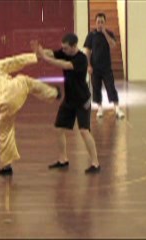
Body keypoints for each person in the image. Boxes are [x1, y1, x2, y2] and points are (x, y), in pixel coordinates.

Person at [0, 50, 61, 176]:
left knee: (5, 132)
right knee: (25, 80)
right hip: (13, 90)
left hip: (2, 106)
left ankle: (6, 166)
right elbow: (15, 61)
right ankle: (54, 93)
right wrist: (35, 57)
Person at [33, 33, 100, 174]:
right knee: (58, 129)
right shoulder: (64, 52)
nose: (63, 50)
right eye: (62, 47)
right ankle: (63, 159)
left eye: (66, 48)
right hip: (69, 99)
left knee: (84, 131)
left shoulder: (81, 59)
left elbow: (65, 65)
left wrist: (44, 58)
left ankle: (95, 163)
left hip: (82, 100)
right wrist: (40, 52)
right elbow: (51, 53)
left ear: (74, 46)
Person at [84, 13, 125, 119]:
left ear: (105, 23)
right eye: (98, 22)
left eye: (102, 22)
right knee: (96, 88)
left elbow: (113, 45)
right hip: (95, 67)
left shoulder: (109, 33)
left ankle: (117, 108)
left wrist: (104, 33)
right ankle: (99, 108)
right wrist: (88, 65)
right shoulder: (91, 35)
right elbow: (87, 51)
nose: (100, 24)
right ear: (95, 22)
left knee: (111, 87)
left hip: (106, 67)